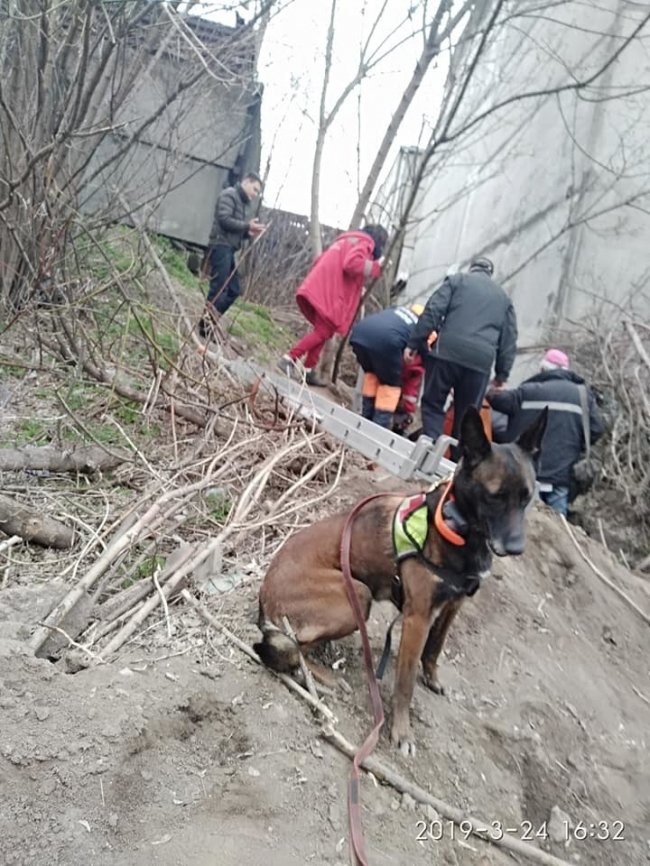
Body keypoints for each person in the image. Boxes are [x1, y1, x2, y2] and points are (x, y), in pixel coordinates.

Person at [404, 256, 517, 442]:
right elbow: (509, 339)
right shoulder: (504, 299)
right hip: (479, 364)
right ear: (490, 273)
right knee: (467, 417)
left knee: (433, 404)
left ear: (472, 268)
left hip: (446, 354)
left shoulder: (457, 281)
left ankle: (430, 446)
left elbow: (433, 310)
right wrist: (501, 374)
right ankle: (457, 464)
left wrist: (414, 343)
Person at [487, 348, 603, 515]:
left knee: (515, 517)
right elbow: (596, 429)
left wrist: (490, 387)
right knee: (557, 527)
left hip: (526, 470)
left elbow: (499, 401)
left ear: (543, 369)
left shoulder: (528, 391)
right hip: (561, 474)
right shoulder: (583, 395)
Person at [277, 225, 387, 386]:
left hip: (320, 288)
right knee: (323, 332)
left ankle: (308, 370)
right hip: (330, 294)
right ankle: (289, 358)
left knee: (324, 332)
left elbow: (321, 261)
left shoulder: (347, 241)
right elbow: (351, 264)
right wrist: (376, 267)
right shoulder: (365, 243)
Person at [199, 172, 266, 337]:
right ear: (246, 182)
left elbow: (235, 229)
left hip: (229, 248)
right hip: (220, 245)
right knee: (218, 288)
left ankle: (208, 321)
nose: (255, 194)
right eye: (255, 189)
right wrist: (246, 226)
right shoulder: (230, 194)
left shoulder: (242, 203)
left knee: (234, 290)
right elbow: (224, 219)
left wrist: (248, 233)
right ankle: (205, 327)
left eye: (257, 192)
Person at [349, 303, 425, 429]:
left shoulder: (398, 310)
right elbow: (413, 369)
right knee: (390, 386)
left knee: (372, 375)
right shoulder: (426, 330)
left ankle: (364, 420)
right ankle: (377, 429)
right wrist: (406, 408)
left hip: (359, 334)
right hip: (388, 342)